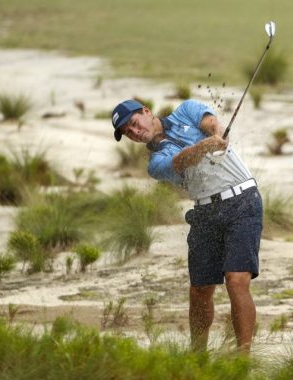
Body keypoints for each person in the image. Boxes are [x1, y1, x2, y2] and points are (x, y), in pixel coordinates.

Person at [110, 99, 262, 353]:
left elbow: (211, 123)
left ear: (146, 112)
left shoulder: (186, 110)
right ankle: (198, 357)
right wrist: (205, 146)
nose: (135, 132)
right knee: (200, 289)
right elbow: (180, 161)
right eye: (128, 132)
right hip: (204, 211)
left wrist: (216, 136)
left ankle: (242, 360)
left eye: (134, 123)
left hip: (242, 201)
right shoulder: (156, 164)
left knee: (236, 281)